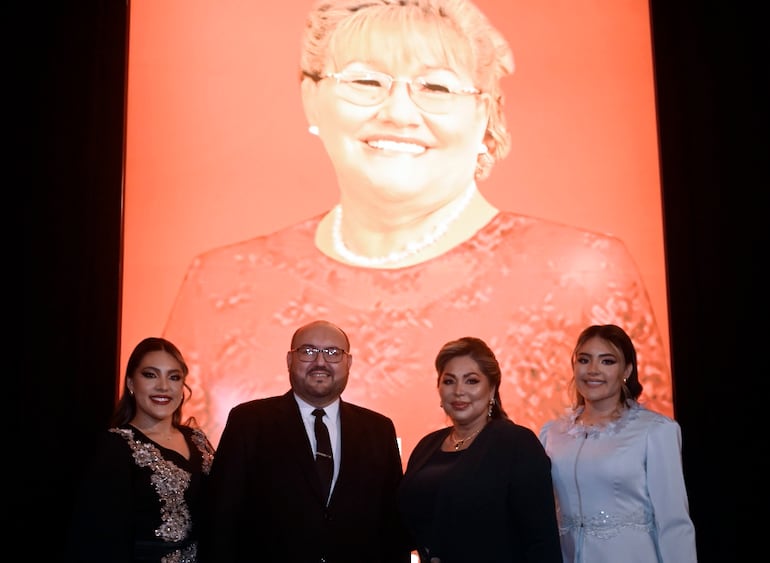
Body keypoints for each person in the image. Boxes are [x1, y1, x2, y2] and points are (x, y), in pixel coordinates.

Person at [163, 0, 672, 461]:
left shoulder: (585, 269)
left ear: (486, 111)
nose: (399, 112)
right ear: (311, 98)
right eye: (365, 81)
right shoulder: (220, 282)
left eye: (436, 86)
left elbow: (644, 457)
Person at [198, 319, 411, 563]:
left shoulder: (379, 429)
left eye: (333, 353)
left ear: (348, 362)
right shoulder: (249, 422)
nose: (320, 362)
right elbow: (221, 517)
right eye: (307, 351)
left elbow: (392, 526)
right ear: (289, 360)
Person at [539, 324, 696, 563]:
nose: (593, 370)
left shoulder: (654, 431)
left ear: (627, 370)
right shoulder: (552, 433)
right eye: (584, 360)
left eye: (607, 361)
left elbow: (674, 522)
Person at [398, 336, 563, 562]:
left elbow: (541, 541)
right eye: (449, 381)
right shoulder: (427, 445)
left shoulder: (517, 444)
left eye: (471, 381)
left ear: (492, 389)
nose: (458, 391)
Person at [66, 337, 215, 563]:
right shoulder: (116, 446)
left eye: (174, 377)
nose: (163, 386)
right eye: (150, 375)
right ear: (130, 383)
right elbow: (98, 536)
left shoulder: (197, 439)